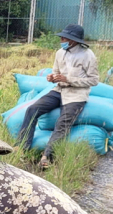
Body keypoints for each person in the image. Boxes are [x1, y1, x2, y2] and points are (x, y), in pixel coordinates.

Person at [18, 24, 99, 170]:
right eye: (62, 37)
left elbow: (94, 80)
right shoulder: (60, 53)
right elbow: (55, 72)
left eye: (65, 37)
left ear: (74, 40)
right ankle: (22, 147)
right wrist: (52, 77)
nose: (62, 39)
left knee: (62, 123)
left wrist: (68, 79)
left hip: (76, 95)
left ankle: (46, 157)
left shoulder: (88, 55)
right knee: (32, 109)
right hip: (59, 90)